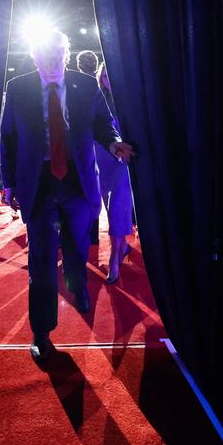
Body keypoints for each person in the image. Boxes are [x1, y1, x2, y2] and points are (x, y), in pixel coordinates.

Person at [0, 30, 134, 363]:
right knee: (42, 258)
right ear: (33, 58)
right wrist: (9, 184)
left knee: (77, 244)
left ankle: (79, 285)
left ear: (65, 53)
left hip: (78, 179)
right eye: (43, 57)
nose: (51, 63)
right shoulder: (18, 88)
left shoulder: (86, 85)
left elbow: (103, 124)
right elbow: (8, 138)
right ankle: (42, 331)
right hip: (39, 182)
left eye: (57, 56)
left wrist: (113, 142)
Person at [95, 62, 135, 283]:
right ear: (100, 78)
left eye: (112, 76)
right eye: (105, 76)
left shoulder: (128, 101)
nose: (108, 80)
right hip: (100, 162)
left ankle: (114, 258)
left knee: (117, 208)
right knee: (111, 210)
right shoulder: (96, 100)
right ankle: (122, 247)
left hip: (121, 162)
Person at [75, 49, 101, 244]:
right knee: (94, 187)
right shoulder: (99, 83)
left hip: (83, 143)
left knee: (81, 186)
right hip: (99, 142)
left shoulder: (74, 84)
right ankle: (92, 235)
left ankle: (82, 232)